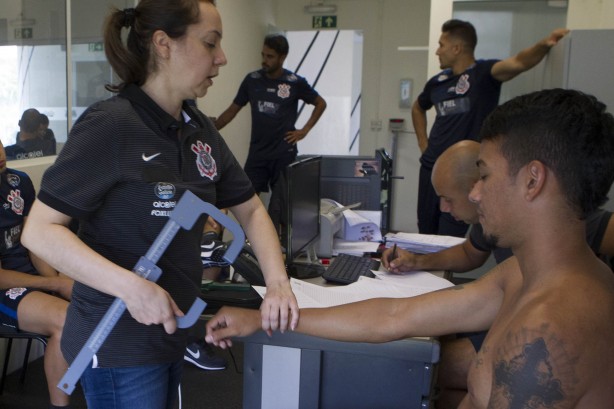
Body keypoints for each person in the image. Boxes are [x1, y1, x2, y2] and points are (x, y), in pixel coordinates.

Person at [206, 89, 614, 408]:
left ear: (532, 180)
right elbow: (393, 316)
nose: (475, 192)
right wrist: (262, 320)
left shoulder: (550, 328)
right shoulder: (521, 275)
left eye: (485, 176)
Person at [21, 2, 298, 408]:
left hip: (170, 332)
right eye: (210, 43)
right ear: (164, 44)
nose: (221, 58)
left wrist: (278, 283)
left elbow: (251, 209)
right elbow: (40, 231)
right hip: (119, 341)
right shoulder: (111, 125)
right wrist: (132, 288)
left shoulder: (197, 127)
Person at [382, 139, 614, 408]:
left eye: (448, 198)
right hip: (511, 312)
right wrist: (418, 262)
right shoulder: (493, 224)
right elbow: (470, 253)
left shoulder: (570, 222)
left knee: (428, 363)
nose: (444, 209)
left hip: (545, 328)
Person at [413, 19, 569, 237]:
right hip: (432, 166)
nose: (438, 51)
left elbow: (519, 62)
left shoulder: (484, 74)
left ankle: (443, 269)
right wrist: (424, 144)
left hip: (462, 171)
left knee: (450, 232)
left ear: (456, 48)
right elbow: (418, 108)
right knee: (425, 228)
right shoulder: (437, 82)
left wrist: (544, 44)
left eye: (441, 45)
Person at [0, 140, 73, 408]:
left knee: (99, 294)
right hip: (4, 290)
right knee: (65, 321)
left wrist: (62, 280)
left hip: (35, 277)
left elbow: (34, 243)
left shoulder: (19, 181)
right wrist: (55, 283)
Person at [214, 34, 327, 195]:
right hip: (257, 153)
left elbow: (321, 103)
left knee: (282, 205)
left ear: (282, 57)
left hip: (283, 154)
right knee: (244, 197)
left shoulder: (294, 82)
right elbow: (233, 110)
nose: (265, 60)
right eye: (263, 55)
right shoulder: (252, 80)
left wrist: (304, 130)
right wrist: (213, 127)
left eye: (270, 56)